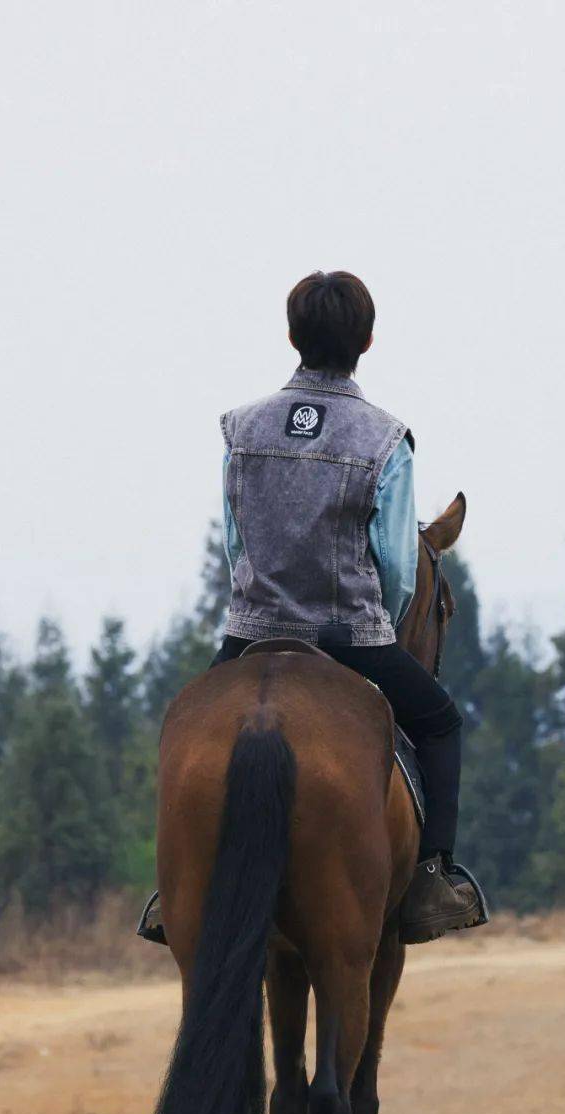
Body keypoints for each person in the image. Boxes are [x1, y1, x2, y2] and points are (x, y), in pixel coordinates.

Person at [140, 269, 485, 946]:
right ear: (368, 340)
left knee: (186, 727)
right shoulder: (386, 439)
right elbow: (393, 562)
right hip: (351, 635)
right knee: (442, 724)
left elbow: (236, 538)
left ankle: (172, 889)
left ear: (292, 335)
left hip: (251, 632)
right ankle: (429, 880)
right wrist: (376, 623)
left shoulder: (241, 428)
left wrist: (259, 604)